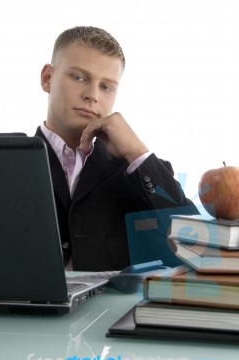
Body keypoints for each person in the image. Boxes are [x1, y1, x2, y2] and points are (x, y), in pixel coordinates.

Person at [36, 26, 198, 271]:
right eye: (79, 77)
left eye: (106, 87)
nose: (92, 95)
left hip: (115, 308)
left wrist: (137, 152)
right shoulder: (2, 164)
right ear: (48, 78)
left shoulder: (137, 171)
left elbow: (192, 248)